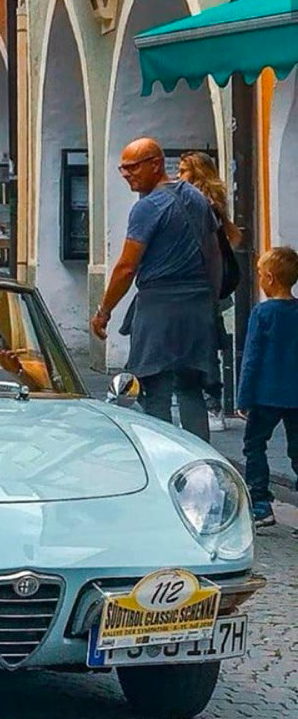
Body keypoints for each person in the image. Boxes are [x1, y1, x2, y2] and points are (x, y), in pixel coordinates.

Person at [91, 138, 221, 442]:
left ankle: (160, 454)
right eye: (123, 168)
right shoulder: (196, 198)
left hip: (159, 307)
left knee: (155, 390)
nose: (126, 174)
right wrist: (210, 299)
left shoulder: (147, 208)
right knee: (191, 389)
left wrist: (104, 311)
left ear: (156, 164)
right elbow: (213, 254)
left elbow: (126, 267)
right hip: (197, 307)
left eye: (133, 167)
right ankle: (200, 458)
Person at [177, 151, 240, 424]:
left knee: (205, 342)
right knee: (209, 340)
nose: (178, 176)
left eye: (183, 171)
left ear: (197, 173)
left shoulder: (200, 204)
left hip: (204, 282)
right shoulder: (212, 202)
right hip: (212, 281)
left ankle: (212, 401)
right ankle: (211, 398)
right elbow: (232, 237)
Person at [237, 246, 298, 529]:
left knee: (255, 446)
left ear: (270, 279)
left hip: (265, 394)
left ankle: (260, 504)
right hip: (295, 395)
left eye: (261, 274)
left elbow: (251, 358)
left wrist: (243, 397)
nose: (259, 279)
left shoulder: (262, 313)